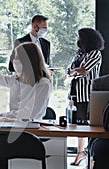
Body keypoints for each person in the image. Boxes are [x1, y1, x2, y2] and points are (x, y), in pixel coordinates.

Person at [0, 36, 52, 120]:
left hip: (33, 128)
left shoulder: (43, 83)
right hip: (14, 124)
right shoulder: (16, 79)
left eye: (17, 58)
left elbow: (30, 113)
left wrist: (6, 115)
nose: (14, 61)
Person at [67, 28, 104, 166]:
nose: (78, 40)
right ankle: (81, 152)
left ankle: (91, 155)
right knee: (79, 126)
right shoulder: (80, 54)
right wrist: (74, 71)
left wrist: (74, 71)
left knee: (91, 127)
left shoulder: (95, 53)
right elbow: (69, 70)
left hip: (88, 95)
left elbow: (83, 70)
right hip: (76, 94)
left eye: (79, 37)